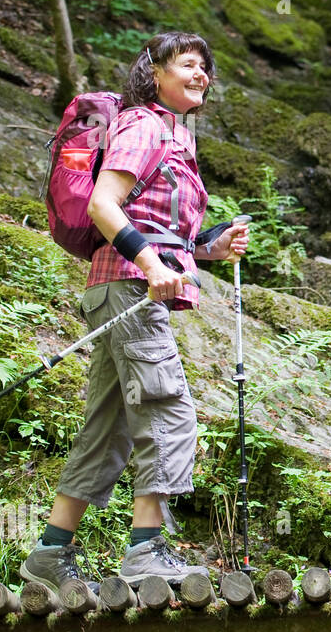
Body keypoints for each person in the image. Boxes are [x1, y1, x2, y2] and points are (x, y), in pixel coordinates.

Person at [21, 31, 249, 590]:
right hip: (130, 290)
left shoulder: (176, 137)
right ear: (154, 74)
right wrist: (151, 266)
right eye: (188, 65)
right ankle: (147, 551)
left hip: (122, 288)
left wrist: (206, 249)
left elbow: (155, 225)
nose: (201, 75)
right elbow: (102, 204)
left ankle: (50, 554)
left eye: (206, 68)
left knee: (110, 424)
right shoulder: (145, 125)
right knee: (170, 412)